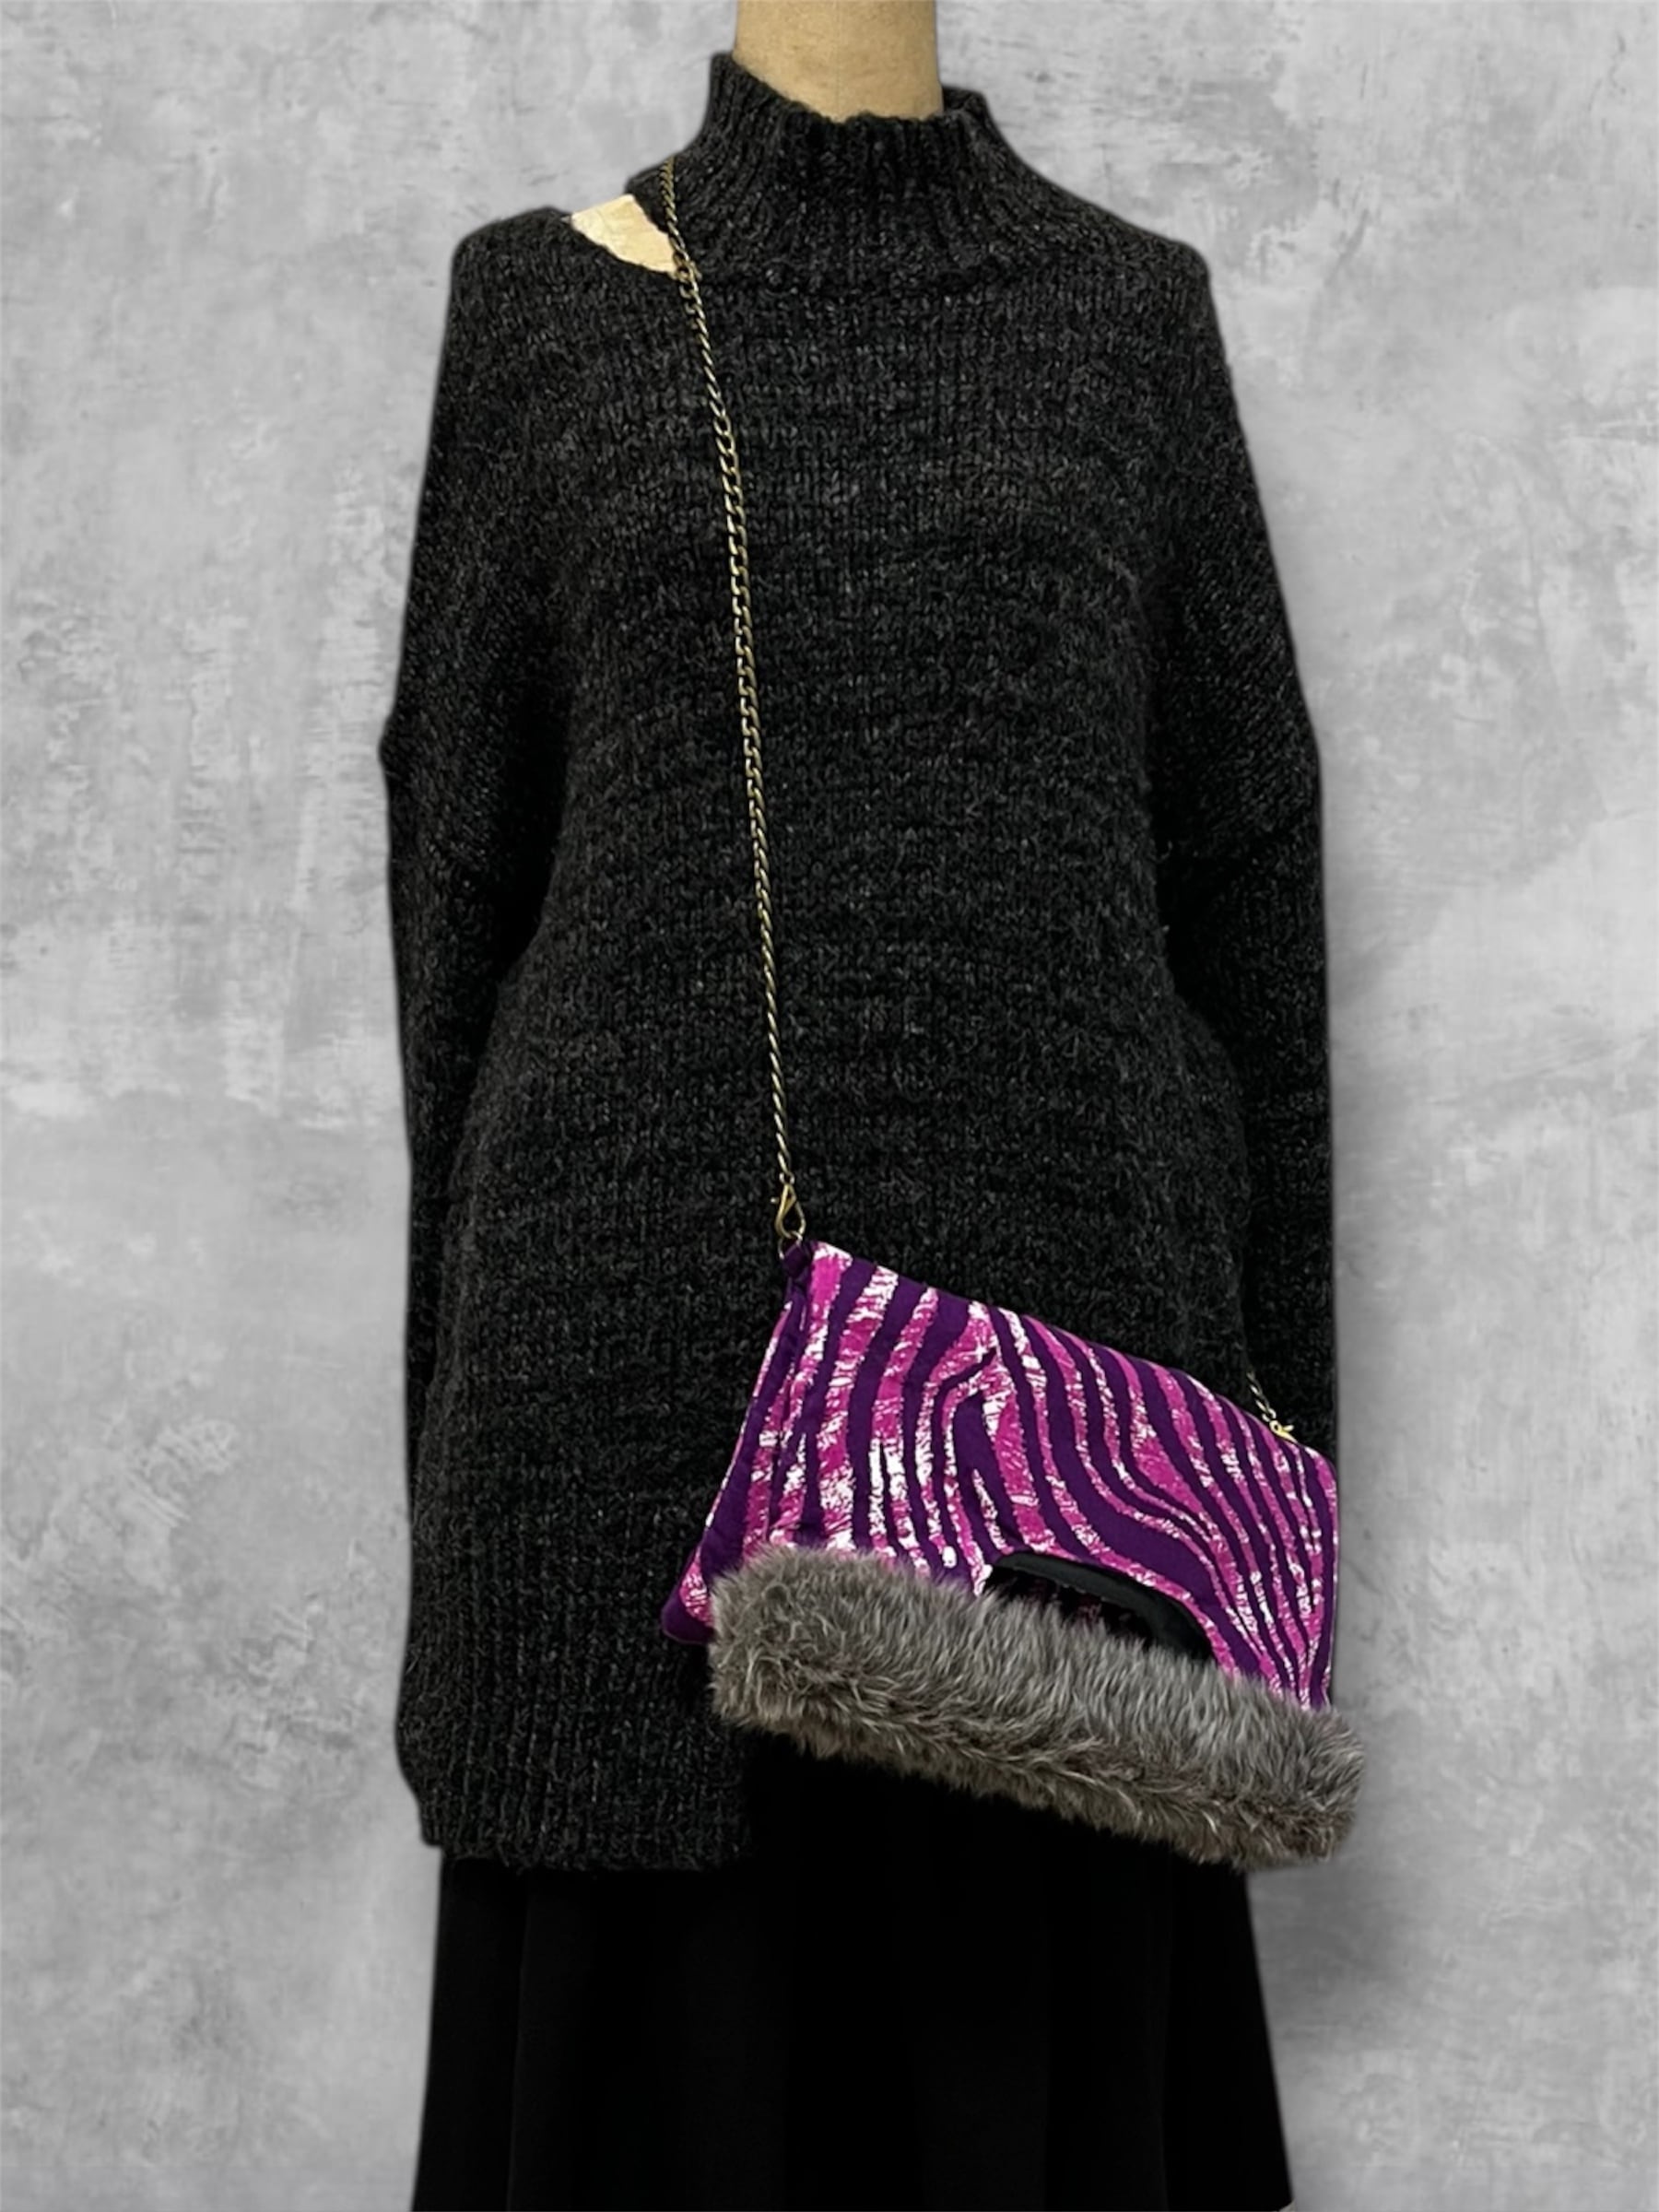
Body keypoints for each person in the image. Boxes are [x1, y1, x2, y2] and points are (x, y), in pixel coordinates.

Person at [378, 13, 1335, 2207]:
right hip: (631, 1457)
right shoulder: (541, 306)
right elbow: (460, 911)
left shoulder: (1127, 320)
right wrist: (466, 1528)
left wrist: (1276, 1520)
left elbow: (1249, 910)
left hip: (1065, 1489)